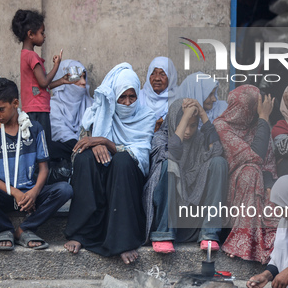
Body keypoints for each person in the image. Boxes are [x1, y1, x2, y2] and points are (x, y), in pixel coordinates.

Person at [63, 63, 156, 264]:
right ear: (113, 96)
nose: (127, 102)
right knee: (84, 159)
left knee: (122, 161)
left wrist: (104, 141)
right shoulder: (99, 111)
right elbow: (83, 141)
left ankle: (123, 241)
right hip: (103, 169)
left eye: (132, 97)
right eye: (122, 97)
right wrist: (94, 142)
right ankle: (81, 233)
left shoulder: (146, 115)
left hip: (128, 174)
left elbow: (139, 153)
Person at [0, 78, 73, 251]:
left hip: (30, 196)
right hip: (3, 194)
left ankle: (24, 229)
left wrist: (34, 192)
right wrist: (15, 192)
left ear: (15, 103)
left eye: (0, 109)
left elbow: (44, 168)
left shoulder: (35, 128)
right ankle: (5, 228)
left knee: (65, 190)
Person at [144, 97, 228, 253]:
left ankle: (209, 233)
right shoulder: (160, 138)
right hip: (166, 213)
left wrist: (203, 114)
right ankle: (164, 234)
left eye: (193, 125)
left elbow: (217, 151)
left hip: (192, 214)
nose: (188, 131)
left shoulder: (200, 139)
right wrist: (185, 117)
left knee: (219, 162)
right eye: (184, 125)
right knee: (170, 165)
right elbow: (173, 152)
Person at [213, 84, 278, 263]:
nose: (259, 113)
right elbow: (254, 156)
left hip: (257, 182)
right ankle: (239, 240)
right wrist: (265, 118)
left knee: (277, 192)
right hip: (230, 187)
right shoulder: (221, 126)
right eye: (257, 109)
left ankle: (268, 245)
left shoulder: (258, 126)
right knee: (250, 171)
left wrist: (270, 186)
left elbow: (268, 164)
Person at [11, 9, 72, 141]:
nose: (44, 36)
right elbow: (44, 82)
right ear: (31, 34)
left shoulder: (25, 55)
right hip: (38, 109)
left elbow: (41, 84)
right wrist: (57, 65)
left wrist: (61, 81)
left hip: (32, 108)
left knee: (34, 146)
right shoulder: (32, 56)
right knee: (43, 146)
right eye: (42, 33)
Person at [47, 59, 92, 182]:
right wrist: (82, 145)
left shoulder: (91, 104)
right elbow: (60, 132)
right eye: (77, 79)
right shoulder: (52, 106)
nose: (83, 83)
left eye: (84, 77)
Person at [138, 56, 178, 131]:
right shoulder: (139, 97)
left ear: (171, 77)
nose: (157, 78)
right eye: (153, 73)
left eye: (162, 74)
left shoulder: (178, 98)